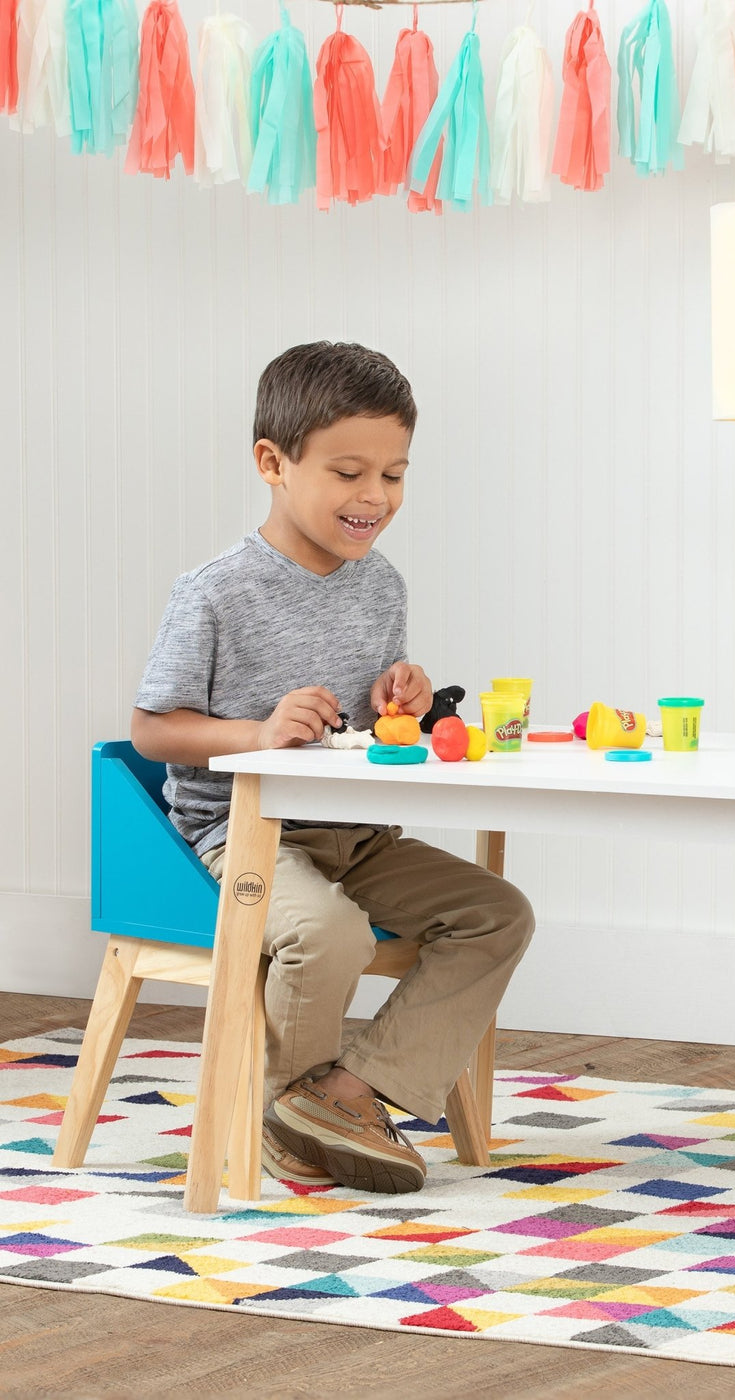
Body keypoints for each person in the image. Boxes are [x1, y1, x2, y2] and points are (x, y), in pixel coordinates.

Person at [131, 341, 534, 1194]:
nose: (374, 498)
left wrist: (407, 699)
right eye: (350, 472)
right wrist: (257, 732)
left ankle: (346, 1095)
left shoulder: (379, 584)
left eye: (393, 475)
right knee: (327, 933)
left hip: (359, 834)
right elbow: (153, 730)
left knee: (496, 913)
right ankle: (288, 1112)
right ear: (273, 463)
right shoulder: (214, 591)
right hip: (246, 833)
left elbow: (369, 725)